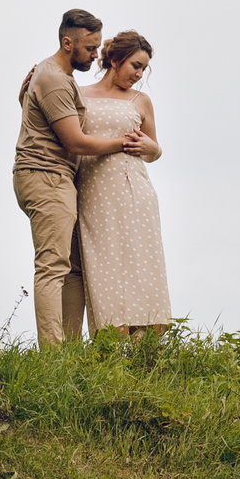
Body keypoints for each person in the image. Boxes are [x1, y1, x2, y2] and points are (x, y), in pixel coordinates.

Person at [13, 9, 143, 348]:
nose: (96, 55)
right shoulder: (55, 78)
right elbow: (75, 142)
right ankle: (52, 355)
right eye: (89, 48)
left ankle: (68, 352)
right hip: (47, 177)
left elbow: (42, 117)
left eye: (97, 46)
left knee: (72, 270)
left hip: (57, 179)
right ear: (67, 43)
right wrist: (124, 143)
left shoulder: (58, 77)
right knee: (53, 267)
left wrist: (23, 99)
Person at [76, 30, 170, 337]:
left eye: (144, 68)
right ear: (115, 60)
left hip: (135, 190)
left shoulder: (141, 101)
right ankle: (110, 344)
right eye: (135, 65)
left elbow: (152, 150)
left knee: (142, 263)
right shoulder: (80, 94)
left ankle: (148, 344)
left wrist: (155, 150)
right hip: (94, 192)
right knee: (104, 265)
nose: (139, 74)